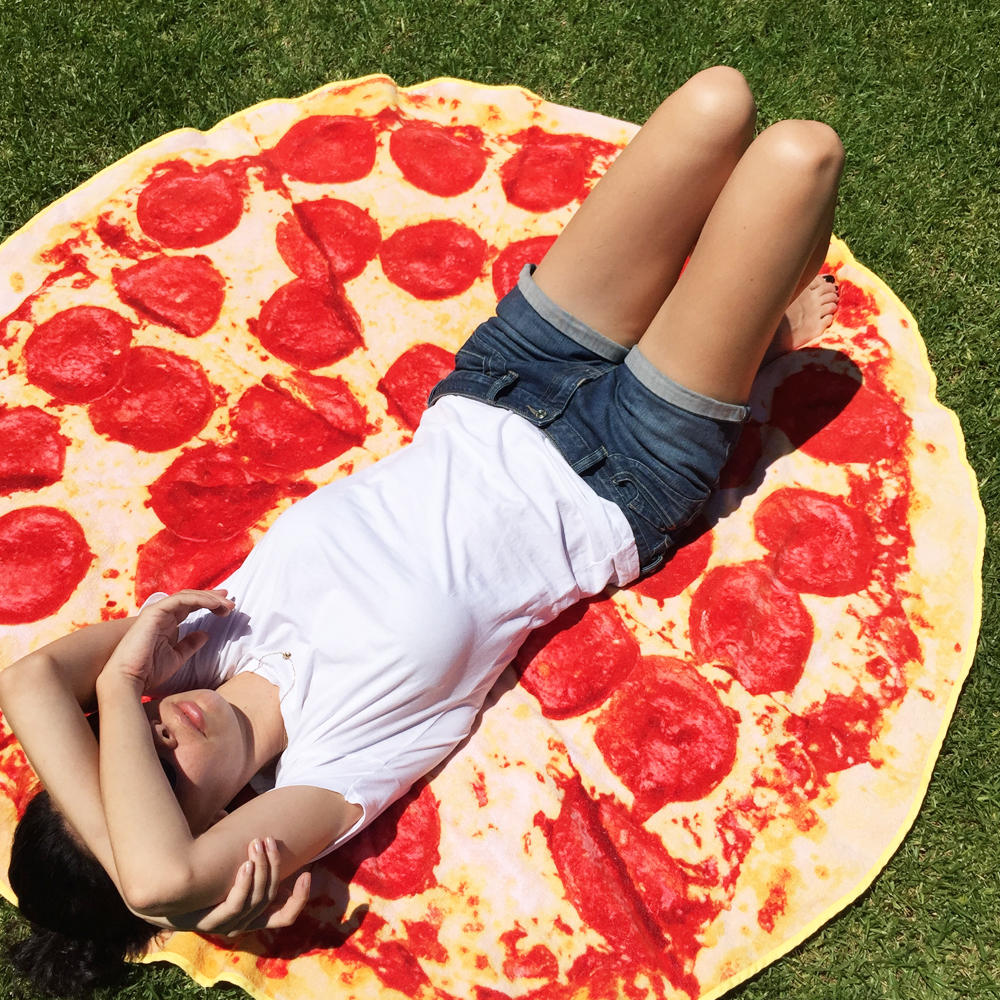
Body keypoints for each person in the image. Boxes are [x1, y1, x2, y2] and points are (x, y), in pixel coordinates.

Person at [0, 66, 843, 995]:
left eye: (133, 741)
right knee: (801, 158)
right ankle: (757, 327)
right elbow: (159, 881)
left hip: (506, 378)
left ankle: (750, 312)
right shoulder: (330, 776)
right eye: (162, 783)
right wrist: (119, 699)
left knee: (716, 103)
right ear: (211, 828)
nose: (159, 732)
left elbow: (29, 677)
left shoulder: (200, 644)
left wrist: (123, 686)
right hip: (624, 472)